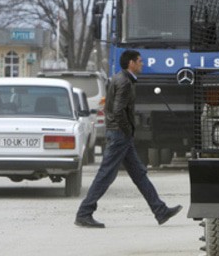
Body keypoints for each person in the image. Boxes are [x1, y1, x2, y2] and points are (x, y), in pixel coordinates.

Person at [75, 50, 182, 228]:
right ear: (131, 63)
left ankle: (160, 210)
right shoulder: (124, 82)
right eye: (139, 61)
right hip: (119, 135)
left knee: (139, 174)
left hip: (119, 134)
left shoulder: (119, 78)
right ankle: (84, 213)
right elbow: (118, 110)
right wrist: (127, 130)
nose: (142, 64)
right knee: (105, 175)